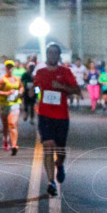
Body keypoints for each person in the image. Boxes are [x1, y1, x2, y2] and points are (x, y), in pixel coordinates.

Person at [34, 43, 80, 197]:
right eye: (50, 53)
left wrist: (61, 86)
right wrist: (30, 91)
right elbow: (34, 88)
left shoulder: (65, 72)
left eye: (55, 53)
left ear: (59, 56)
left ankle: (59, 165)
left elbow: (77, 90)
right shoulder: (40, 72)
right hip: (45, 115)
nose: (52, 55)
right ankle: (50, 182)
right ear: (47, 55)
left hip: (61, 116)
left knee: (60, 150)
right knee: (48, 146)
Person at [0, 60, 22, 154]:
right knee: (5, 125)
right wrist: (6, 93)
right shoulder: (3, 80)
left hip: (15, 103)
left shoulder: (17, 79)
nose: (10, 69)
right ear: (6, 68)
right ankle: (6, 140)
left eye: (11, 67)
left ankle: (14, 145)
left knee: (12, 123)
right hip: (4, 104)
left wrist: (19, 92)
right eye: (8, 67)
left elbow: (21, 87)